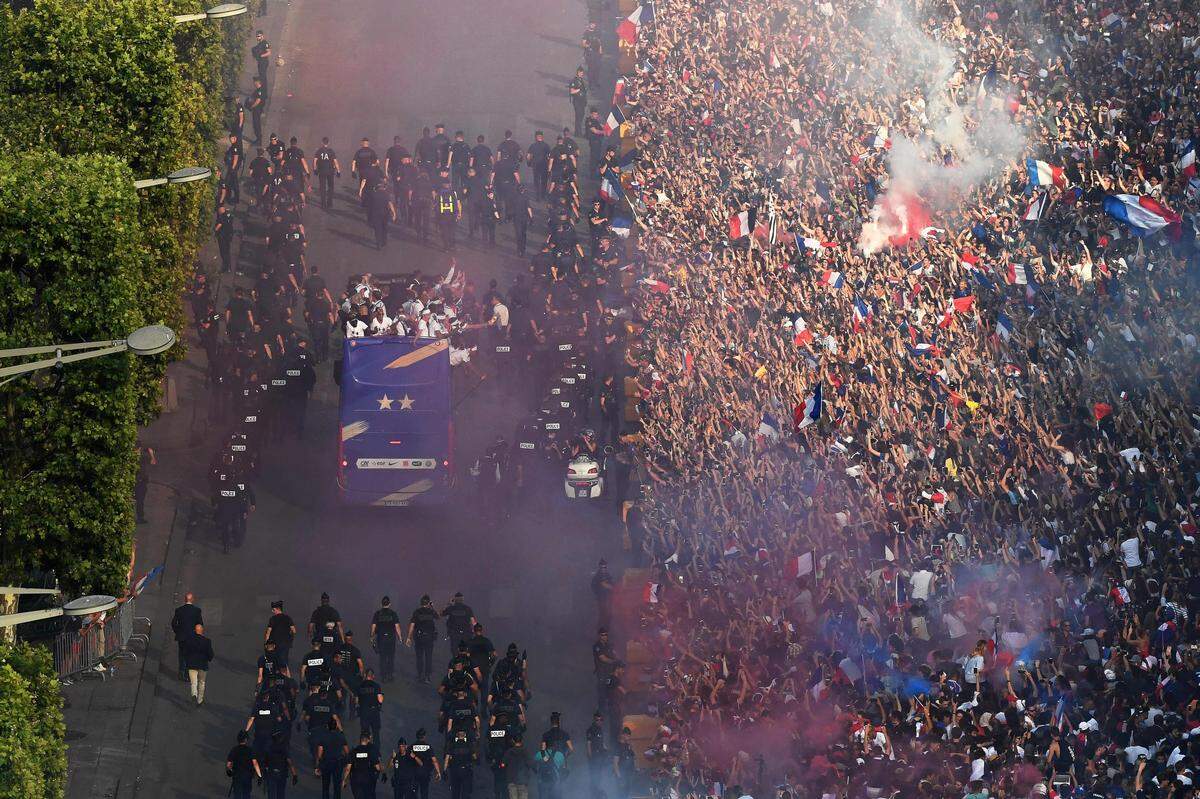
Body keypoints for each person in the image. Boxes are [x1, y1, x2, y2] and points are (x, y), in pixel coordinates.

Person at [406, 595, 439, 683]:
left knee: (419, 657)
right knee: (428, 657)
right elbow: (438, 617)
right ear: (428, 603)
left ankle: (420, 675)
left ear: (421, 603)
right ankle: (427, 676)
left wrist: (409, 637)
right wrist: (432, 606)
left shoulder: (417, 612)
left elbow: (412, 625)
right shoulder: (431, 611)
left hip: (419, 637)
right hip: (429, 637)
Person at [170, 592, 203, 681]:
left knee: (182, 655)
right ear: (192, 599)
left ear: (185, 600)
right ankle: (189, 674)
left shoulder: (179, 610)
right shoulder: (197, 610)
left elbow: (173, 623)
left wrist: (178, 632)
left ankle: (181, 672)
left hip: (182, 637)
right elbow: (199, 625)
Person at [316, 717, 350, 799]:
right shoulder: (341, 736)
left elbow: (319, 754)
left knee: (325, 786)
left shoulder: (323, 736)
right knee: (337, 786)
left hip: (326, 762)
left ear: (327, 726)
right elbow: (347, 752)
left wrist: (318, 766)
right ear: (336, 726)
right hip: (338, 763)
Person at [181, 622, 214, 705]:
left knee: (193, 682)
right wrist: (208, 659)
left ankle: (194, 694)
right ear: (202, 630)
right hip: (203, 665)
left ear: (194, 631)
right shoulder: (207, 641)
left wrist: (187, 660)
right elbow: (210, 654)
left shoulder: (189, 641)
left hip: (192, 665)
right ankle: (200, 700)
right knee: (201, 682)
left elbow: (184, 652)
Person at [371, 596, 402, 682]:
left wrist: (372, 636)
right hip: (391, 638)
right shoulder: (393, 614)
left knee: (382, 658)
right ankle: (390, 675)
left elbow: (373, 626)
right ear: (389, 604)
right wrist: (400, 637)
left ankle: (384, 676)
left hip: (381, 638)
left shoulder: (377, 614)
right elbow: (397, 626)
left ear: (381, 604)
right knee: (391, 657)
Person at [344, 731, 383, 798]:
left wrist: (344, 780)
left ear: (360, 740)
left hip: (356, 780)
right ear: (368, 740)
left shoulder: (354, 751)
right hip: (368, 780)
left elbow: (348, 768)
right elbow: (378, 767)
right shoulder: (371, 751)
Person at [443, 728, 476, 799]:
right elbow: (474, 757)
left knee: (455, 792)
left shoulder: (452, 744)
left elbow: (447, 758)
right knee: (466, 792)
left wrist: (445, 770)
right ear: (465, 735)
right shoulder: (469, 744)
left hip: (455, 770)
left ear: (457, 735)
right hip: (466, 770)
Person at [499, 734, 532, 799]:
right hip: (523, 781)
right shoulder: (525, 752)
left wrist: (502, 767)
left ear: (513, 741)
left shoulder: (509, 752)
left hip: (511, 780)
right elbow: (530, 764)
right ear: (521, 741)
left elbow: (502, 764)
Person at [312, 137, 341, 209]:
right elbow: (335, 162)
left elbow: (315, 161)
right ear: (328, 143)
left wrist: (315, 169)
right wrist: (338, 171)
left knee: (322, 187)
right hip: (330, 171)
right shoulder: (331, 151)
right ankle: (329, 203)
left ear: (322, 142)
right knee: (331, 187)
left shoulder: (319, 151)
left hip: (321, 171)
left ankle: (323, 203)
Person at [367, 182, 396, 249]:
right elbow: (390, 204)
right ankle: (384, 241)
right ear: (384, 188)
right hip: (385, 214)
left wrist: (369, 215)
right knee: (384, 228)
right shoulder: (386, 194)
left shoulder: (373, 194)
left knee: (377, 229)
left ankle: (378, 243)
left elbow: (370, 206)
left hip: (376, 214)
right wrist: (394, 213)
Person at [585, 711, 607, 798]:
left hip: (601, 757)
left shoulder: (600, 730)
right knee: (594, 777)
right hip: (594, 758)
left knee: (599, 776)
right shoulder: (590, 730)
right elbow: (588, 744)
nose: (600, 721)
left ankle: (598, 794)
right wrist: (590, 757)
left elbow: (602, 743)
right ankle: (594, 795)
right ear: (595, 720)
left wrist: (607, 750)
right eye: (598, 720)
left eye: (601, 720)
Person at [134, 443, 156, 523]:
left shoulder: (130, 457)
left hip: (133, 481)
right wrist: (151, 453)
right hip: (140, 482)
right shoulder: (141, 457)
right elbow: (153, 462)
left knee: (132, 499)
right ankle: (140, 518)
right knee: (140, 500)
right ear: (139, 448)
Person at [568, 67, 588, 137]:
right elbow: (572, 91)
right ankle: (578, 133)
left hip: (582, 101)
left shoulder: (581, 80)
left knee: (581, 116)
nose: (581, 74)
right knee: (578, 117)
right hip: (577, 101)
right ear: (577, 72)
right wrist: (579, 90)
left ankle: (579, 132)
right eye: (580, 72)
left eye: (582, 73)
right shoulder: (574, 81)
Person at [248, 76, 267, 145]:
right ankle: (258, 139)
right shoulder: (259, 90)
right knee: (256, 124)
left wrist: (251, 106)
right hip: (258, 109)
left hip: (257, 110)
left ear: (257, 82)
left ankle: (259, 140)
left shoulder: (259, 91)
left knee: (256, 124)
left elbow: (258, 101)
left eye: (254, 81)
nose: (253, 83)